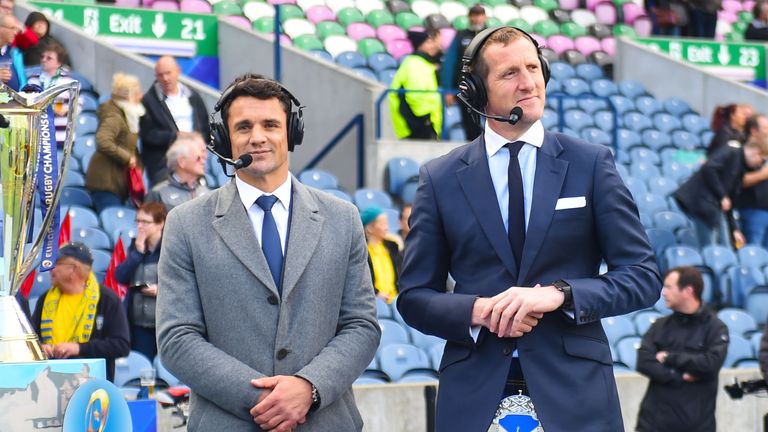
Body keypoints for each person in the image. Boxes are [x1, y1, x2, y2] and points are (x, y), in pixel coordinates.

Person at [396, 26, 661, 431]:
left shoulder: (591, 163)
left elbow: (642, 277)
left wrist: (560, 295)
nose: (528, 83)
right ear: (475, 90)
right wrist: (479, 311)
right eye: (509, 74)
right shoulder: (440, 177)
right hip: (474, 392)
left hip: (576, 393)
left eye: (533, 68)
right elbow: (414, 296)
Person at [156, 74, 380, 431]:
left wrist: (309, 388)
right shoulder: (186, 224)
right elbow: (177, 339)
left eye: (271, 124)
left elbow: (362, 325)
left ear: (291, 132)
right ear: (224, 138)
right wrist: (265, 400)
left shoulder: (343, 218)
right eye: (243, 126)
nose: (257, 137)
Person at [636, 266, 728, 432]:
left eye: (669, 287)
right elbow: (643, 361)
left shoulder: (715, 328)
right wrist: (677, 376)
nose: (664, 292)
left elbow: (710, 364)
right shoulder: (660, 326)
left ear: (688, 290)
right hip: (653, 424)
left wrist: (669, 357)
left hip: (696, 424)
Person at [31, 242, 130, 382]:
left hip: (92, 385)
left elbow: (121, 345)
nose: (50, 269)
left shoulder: (107, 299)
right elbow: (32, 338)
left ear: (74, 269)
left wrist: (79, 348)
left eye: (57, 264)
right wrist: (41, 348)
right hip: (51, 382)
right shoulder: (44, 300)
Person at [674, 135, 768, 249]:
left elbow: (730, 202)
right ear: (756, 151)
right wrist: (722, 195)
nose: (760, 165)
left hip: (714, 207)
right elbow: (709, 167)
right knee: (710, 247)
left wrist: (735, 229)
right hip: (701, 203)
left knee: (726, 246)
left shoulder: (742, 167)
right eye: (762, 160)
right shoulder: (732, 151)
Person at [139, 56, 210, 187]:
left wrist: (199, 142)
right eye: (160, 75)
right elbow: (147, 134)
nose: (165, 78)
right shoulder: (149, 101)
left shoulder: (194, 96)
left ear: (178, 71)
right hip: (164, 164)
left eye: (168, 73)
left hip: (196, 157)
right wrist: (174, 137)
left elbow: (205, 127)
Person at [114, 202, 166, 360]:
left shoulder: (171, 247)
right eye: (138, 221)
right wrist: (137, 253)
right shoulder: (134, 247)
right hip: (139, 323)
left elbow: (183, 281)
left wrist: (161, 290)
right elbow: (120, 276)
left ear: (160, 224)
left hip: (164, 322)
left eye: (145, 222)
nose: (140, 226)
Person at [85, 73, 145, 212]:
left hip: (116, 182)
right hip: (106, 183)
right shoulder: (114, 116)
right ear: (129, 95)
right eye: (137, 93)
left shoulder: (125, 114)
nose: (141, 96)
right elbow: (103, 140)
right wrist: (127, 157)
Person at [443, 4, 487, 141]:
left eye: (479, 14)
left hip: (487, 88)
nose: (476, 18)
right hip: (465, 88)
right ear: (469, 17)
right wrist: (448, 89)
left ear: (484, 17)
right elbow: (450, 62)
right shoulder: (461, 36)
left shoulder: (490, 34)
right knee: (469, 125)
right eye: (473, 15)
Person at [388, 29, 443, 140]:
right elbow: (416, 96)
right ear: (419, 45)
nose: (432, 45)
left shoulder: (423, 63)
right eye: (428, 42)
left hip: (422, 123)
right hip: (417, 125)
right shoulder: (415, 64)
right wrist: (427, 121)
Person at [26, 42, 81, 148]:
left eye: (49, 58)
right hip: (39, 135)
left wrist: (66, 110)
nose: (43, 60)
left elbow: (79, 104)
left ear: (58, 63)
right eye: (42, 57)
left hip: (61, 136)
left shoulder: (69, 81)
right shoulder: (33, 80)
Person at [144, 132, 210, 212]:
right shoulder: (158, 193)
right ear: (182, 161)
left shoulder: (205, 191)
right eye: (198, 158)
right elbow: (146, 222)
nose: (203, 161)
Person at [736, 114, 768, 247]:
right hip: (752, 210)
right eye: (766, 128)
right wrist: (763, 174)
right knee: (753, 251)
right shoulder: (741, 151)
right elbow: (737, 181)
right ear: (754, 131)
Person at [361, 206, 402, 304]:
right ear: (370, 228)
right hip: (374, 302)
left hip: (396, 300)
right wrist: (376, 293)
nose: (386, 227)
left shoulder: (392, 248)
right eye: (383, 224)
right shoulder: (362, 251)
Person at [0, 14, 26, 91]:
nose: (15, 33)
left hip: (15, 101)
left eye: (16, 29)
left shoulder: (14, 52)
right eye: (12, 28)